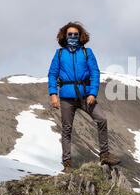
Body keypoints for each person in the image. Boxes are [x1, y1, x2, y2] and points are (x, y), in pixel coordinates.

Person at [48, 21, 120, 173]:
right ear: (64, 36)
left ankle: (104, 155)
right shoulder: (60, 54)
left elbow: (95, 73)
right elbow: (52, 74)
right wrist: (53, 95)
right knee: (67, 129)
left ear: (80, 36)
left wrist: (93, 93)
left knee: (101, 119)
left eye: (75, 34)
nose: (73, 36)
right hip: (66, 97)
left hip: (85, 95)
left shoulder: (87, 53)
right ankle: (67, 164)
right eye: (70, 34)